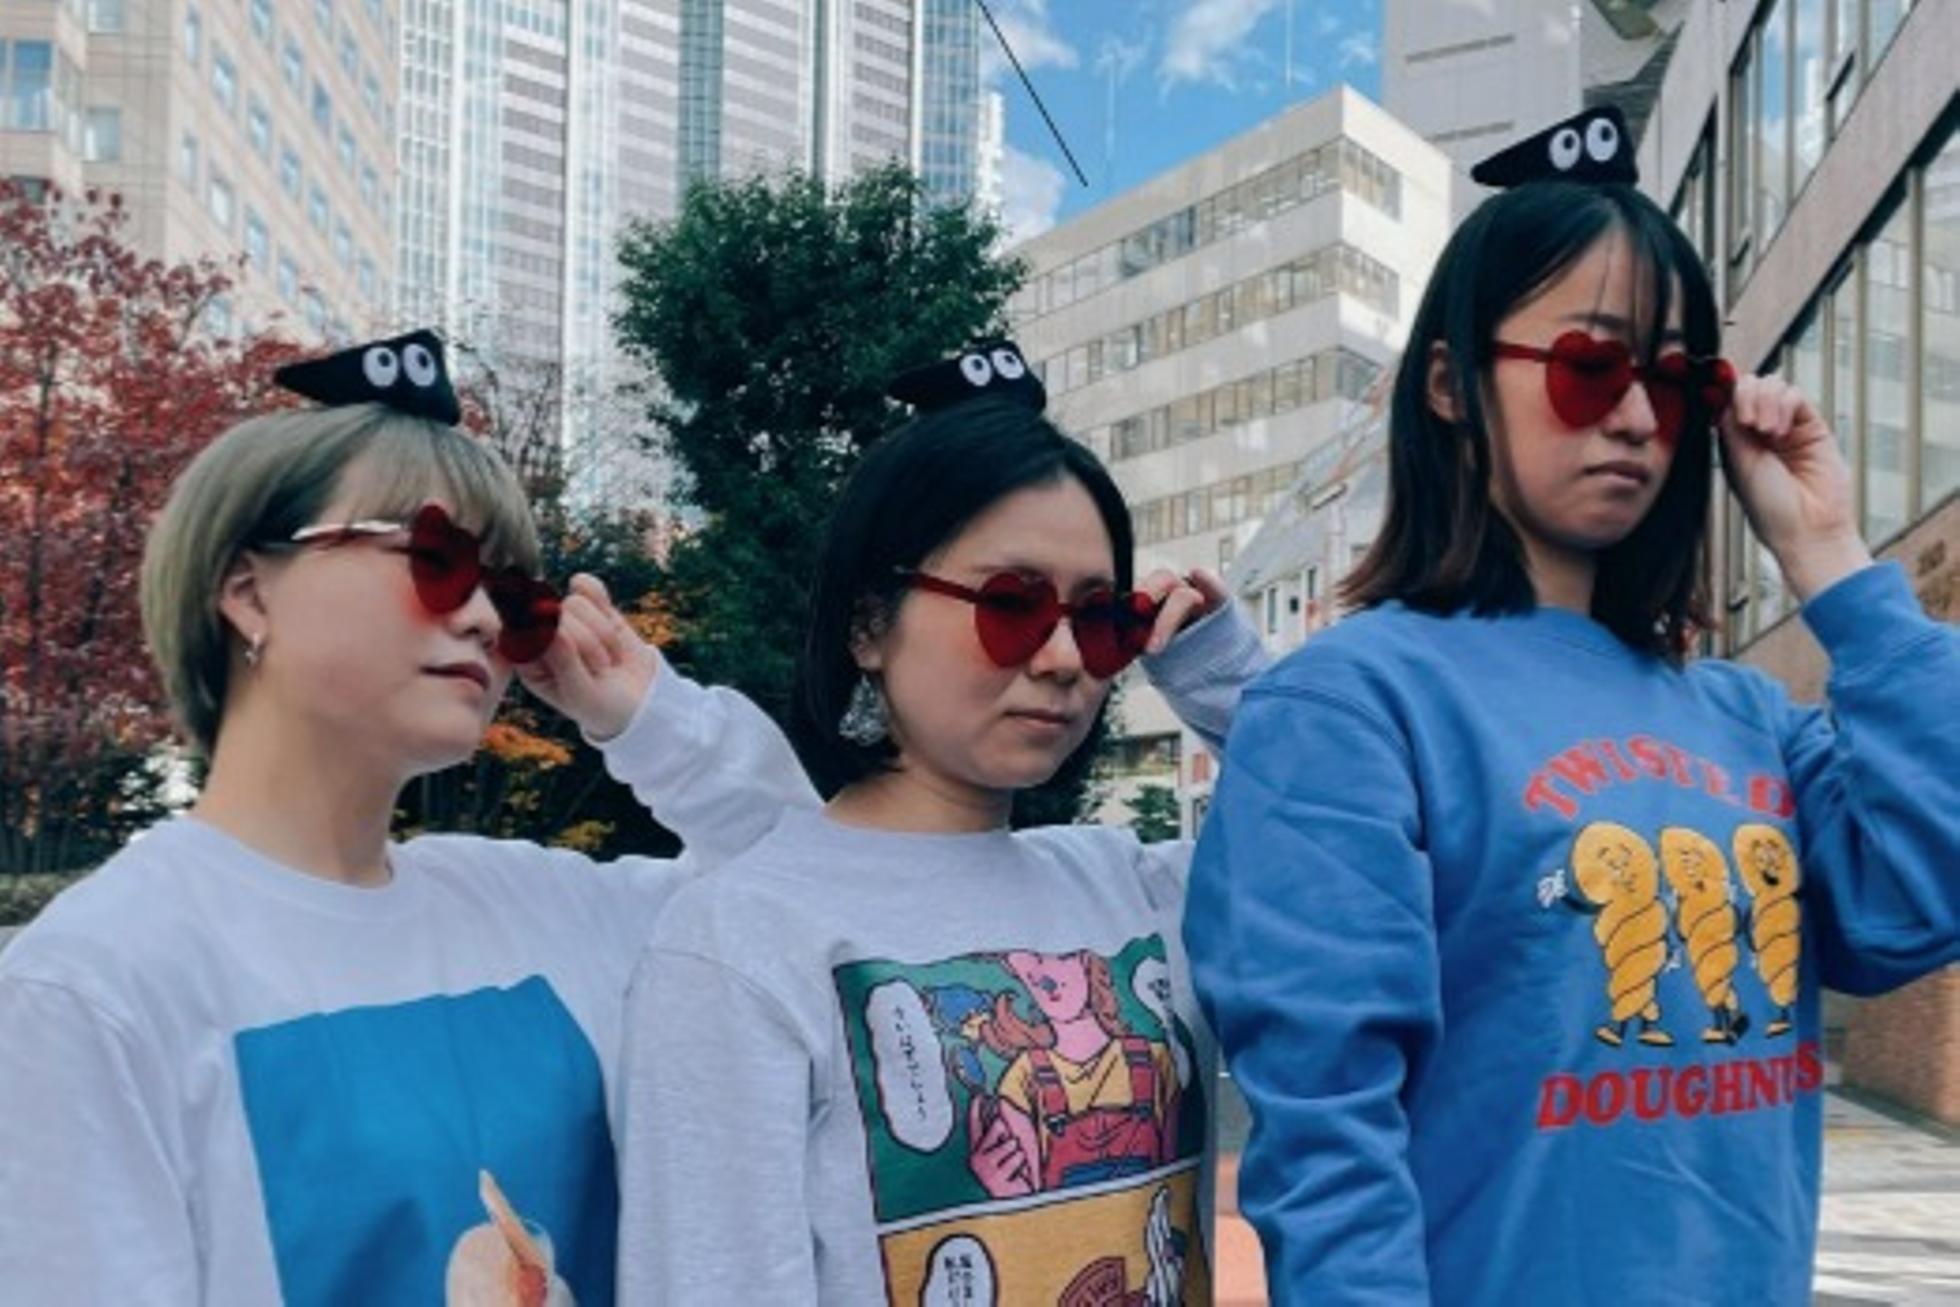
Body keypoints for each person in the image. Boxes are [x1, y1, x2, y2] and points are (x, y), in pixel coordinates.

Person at [1185, 107, 1960, 1304]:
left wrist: (1833, 559)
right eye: (1588, 366)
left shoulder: (1747, 716)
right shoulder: (1345, 707)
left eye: (1673, 378)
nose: (1637, 417)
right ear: (1449, 384)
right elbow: (1330, 1144)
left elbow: (1922, 897)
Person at [0, 330, 818, 1305]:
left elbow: (805, 902)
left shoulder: (549, 907)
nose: (483, 618)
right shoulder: (94, 982)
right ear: (249, 591)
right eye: (434, 558)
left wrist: (655, 718)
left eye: (511, 593)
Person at [614, 342, 1267, 1305]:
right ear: (867, 624)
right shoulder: (739, 939)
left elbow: (1374, 862)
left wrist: (1222, 677)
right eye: (1011, 604)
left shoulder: (1147, 887)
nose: (1062, 658)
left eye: (1099, 619)